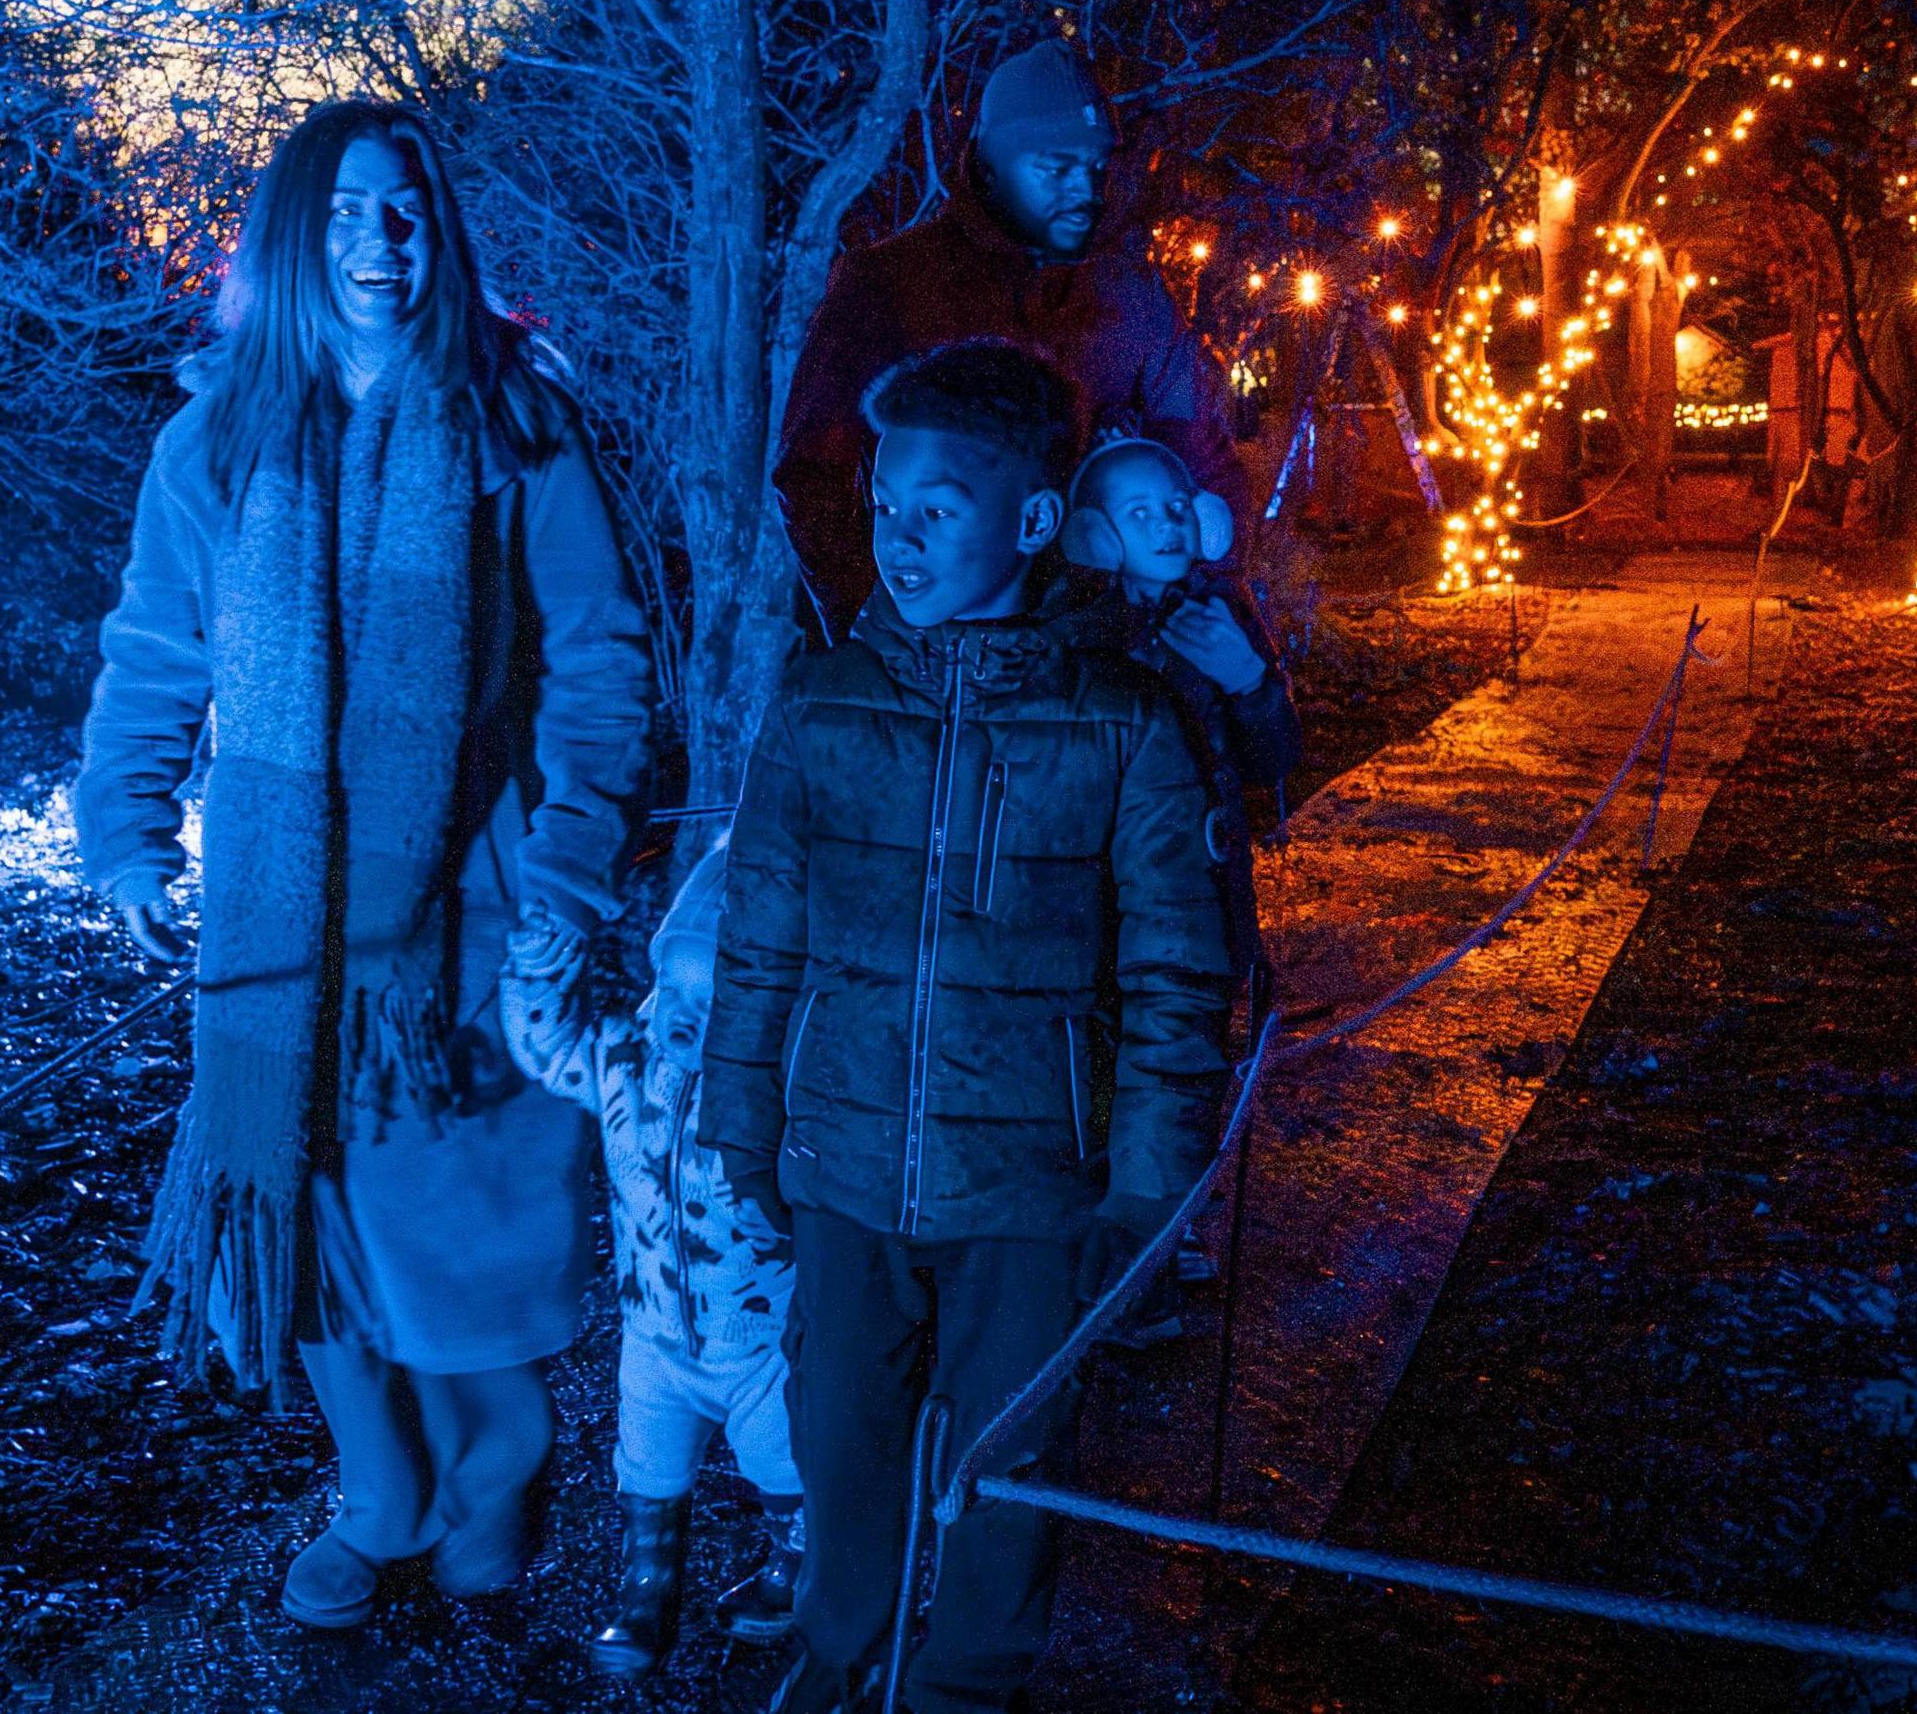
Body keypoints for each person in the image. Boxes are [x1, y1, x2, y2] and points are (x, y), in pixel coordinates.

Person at [74, 97, 653, 1629]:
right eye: (339, 211)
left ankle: (502, 1455)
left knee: (457, 1212)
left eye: (402, 208)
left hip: (466, 904)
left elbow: (600, 661)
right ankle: (377, 1489)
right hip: (276, 912)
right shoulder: (215, 436)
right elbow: (154, 650)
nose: (376, 241)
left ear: (438, 228)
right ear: (289, 237)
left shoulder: (516, 420)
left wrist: (572, 860)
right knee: (305, 1191)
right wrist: (125, 831)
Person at [698, 339, 1233, 1713]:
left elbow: (1177, 974)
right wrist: (744, 1129)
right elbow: (759, 938)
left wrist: (1148, 1191)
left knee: (1009, 1454)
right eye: (888, 505)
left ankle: (965, 1684)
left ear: (1035, 517)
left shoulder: (1124, 724)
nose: (901, 536)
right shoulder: (821, 706)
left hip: (1034, 1185)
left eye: (939, 507)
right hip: (845, 1162)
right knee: (841, 1432)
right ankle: (842, 1650)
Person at [773, 37, 1253, 642]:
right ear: (992, 164)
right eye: (1054, 168)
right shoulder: (892, 286)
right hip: (947, 652)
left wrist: (1201, 602)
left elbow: (1203, 461)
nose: (1083, 191)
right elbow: (812, 474)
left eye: (1094, 168)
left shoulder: (1133, 299)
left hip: (1101, 652)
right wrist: (889, 626)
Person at [497, 838, 802, 1676]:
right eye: (675, 987)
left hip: (763, 1338)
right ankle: (646, 1587)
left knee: (784, 1454)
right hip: (655, 1330)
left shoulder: (779, 1090)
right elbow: (545, 1044)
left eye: (716, 1000)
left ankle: (796, 1566)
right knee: (648, 1456)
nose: (684, 1016)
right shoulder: (621, 1058)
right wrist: (542, 956)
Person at [1060, 433, 1299, 1347]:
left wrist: (1251, 682)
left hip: (1211, 890)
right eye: (1138, 511)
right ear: (1095, 532)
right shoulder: (1076, 635)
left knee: (1196, 1059)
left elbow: (1273, 760)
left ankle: (1170, 1226)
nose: (1165, 524)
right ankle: (1124, 1259)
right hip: (1112, 908)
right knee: (1119, 1074)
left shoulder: (1221, 614)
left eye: (1175, 505)